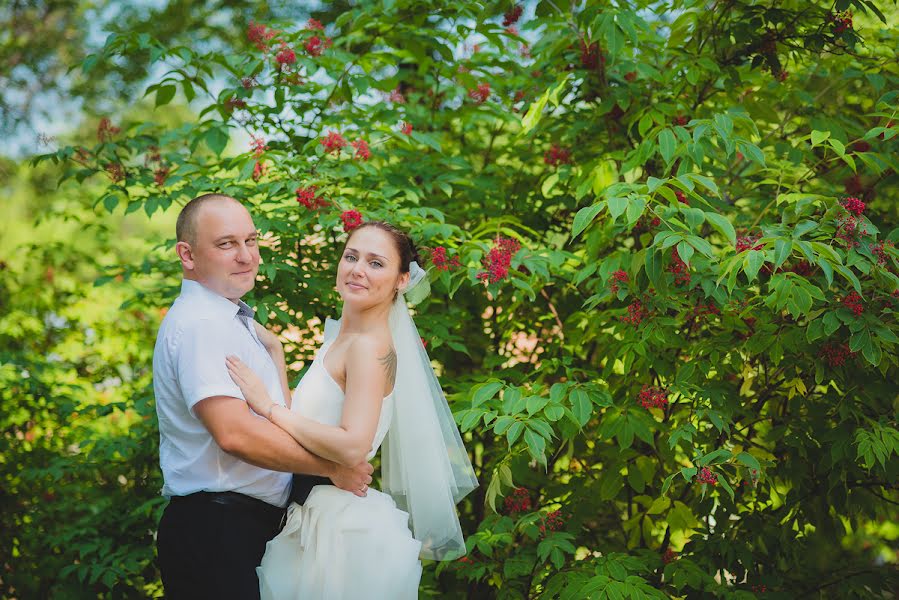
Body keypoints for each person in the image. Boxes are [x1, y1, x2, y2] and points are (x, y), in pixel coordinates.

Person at [225, 221, 478, 599]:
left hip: (338, 529)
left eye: (376, 263)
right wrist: (276, 351)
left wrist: (269, 407)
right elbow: (308, 422)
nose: (358, 269)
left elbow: (352, 447)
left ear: (402, 280)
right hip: (313, 511)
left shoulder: (368, 348)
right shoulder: (343, 340)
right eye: (351, 256)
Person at [153, 193, 374, 600]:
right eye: (226, 244)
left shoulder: (233, 322)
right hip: (216, 528)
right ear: (187, 254)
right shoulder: (203, 324)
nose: (247, 256)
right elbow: (235, 434)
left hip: (244, 527)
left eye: (251, 241)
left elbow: (276, 421)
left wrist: (276, 353)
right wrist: (332, 469)